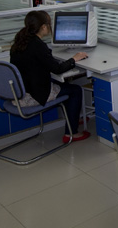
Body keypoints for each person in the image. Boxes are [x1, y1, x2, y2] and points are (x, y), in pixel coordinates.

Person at [9, 10, 90, 143]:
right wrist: (74, 59)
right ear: (43, 27)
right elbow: (57, 69)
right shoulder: (37, 45)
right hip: (33, 96)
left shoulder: (19, 42)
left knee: (64, 86)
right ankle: (71, 133)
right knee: (75, 90)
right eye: (49, 24)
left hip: (21, 92)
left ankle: (73, 118)